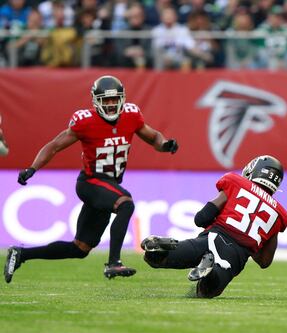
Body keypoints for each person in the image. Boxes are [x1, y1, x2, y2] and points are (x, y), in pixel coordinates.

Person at [4, 75, 179, 283]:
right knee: (125, 204)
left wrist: (165, 144)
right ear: (96, 101)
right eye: (106, 100)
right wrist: (32, 168)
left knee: (80, 248)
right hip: (90, 182)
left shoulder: (132, 115)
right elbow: (54, 145)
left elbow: (153, 137)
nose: (112, 104)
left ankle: (21, 254)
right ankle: (114, 262)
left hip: (109, 186)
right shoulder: (85, 121)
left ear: (122, 99)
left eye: (115, 99)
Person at [141, 155, 287, 298]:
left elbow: (201, 218)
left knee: (153, 259)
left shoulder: (236, 183)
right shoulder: (279, 214)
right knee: (207, 290)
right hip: (234, 255)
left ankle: (163, 245)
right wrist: (252, 243)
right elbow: (265, 261)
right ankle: (211, 271)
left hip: (211, 238)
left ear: (253, 170)